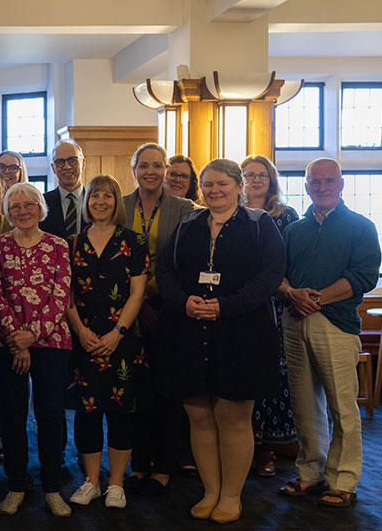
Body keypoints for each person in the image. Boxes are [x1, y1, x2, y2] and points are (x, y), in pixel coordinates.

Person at [156, 159, 286, 524]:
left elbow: (270, 275)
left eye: (222, 184)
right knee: (198, 414)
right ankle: (210, 490)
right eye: (208, 184)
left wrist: (227, 306)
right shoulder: (187, 224)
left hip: (241, 332)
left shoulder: (261, 226)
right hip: (189, 329)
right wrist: (183, 301)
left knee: (232, 415)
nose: (214, 190)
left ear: (238, 185)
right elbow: (164, 270)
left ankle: (231, 495)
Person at [278, 157, 380, 508]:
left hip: (336, 323)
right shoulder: (293, 230)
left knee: (342, 407)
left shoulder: (361, 227)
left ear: (341, 184)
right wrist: (292, 293)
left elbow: (363, 276)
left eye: (328, 181)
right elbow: (277, 274)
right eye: (314, 182)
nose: (321, 187)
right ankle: (310, 473)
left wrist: (316, 299)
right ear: (306, 187)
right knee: (305, 405)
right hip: (294, 321)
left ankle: (343, 479)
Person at [0, 183, 73, 518]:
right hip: (7, 342)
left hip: (51, 341)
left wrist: (31, 335)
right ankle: (16, 484)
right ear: (8, 213)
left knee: (50, 415)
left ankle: (53, 487)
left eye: (29, 204)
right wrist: (16, 338)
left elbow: (60, 296)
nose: (23, 211)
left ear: (40, 207)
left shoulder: (58, 245)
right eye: (16, 206)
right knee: (11, 416)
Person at [65, 175, 148, 510]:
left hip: (122, 340)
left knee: (120, 413)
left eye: (108, 196)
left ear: (118, 202)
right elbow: (66, 294)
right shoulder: (72, 243)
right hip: (83, 339)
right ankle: (91, 482)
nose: (100, 201)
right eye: (94, 196)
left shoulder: (134, 241)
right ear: (87, 202)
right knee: (87, 413)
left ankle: (115, 484)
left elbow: (138, 292)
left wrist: (118, 333)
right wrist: (81, 331)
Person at [121, 143, 198, 496]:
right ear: (133, 168)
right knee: (134, 391)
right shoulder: (119, 205)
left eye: (157, 165)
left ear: (166, 169)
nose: (150, 171)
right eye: (143, 165)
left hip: (169, 311)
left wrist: (154, 297)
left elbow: (187, 262)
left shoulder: (185, 209)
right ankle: (138, 462)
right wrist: (137, 304)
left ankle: (164, 464)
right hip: (124, 312)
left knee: (166, 390)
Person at [241, 155, 299, 477]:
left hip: (277, 307)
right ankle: (242, 447)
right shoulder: (233, 214)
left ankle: (267, 450)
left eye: (262, 174)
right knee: (242, 377)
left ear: (272, 179)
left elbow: (289, 263)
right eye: (249, 174)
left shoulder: (286, 216)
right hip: (241, 307)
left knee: (273, 378)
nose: (256, 179)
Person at [41, 140, 86, 239]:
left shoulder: (96, 202)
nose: (67, 166)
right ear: (53, 168)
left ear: (83, 163)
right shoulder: (41, 203)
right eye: (60, 162)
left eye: (72, 159)